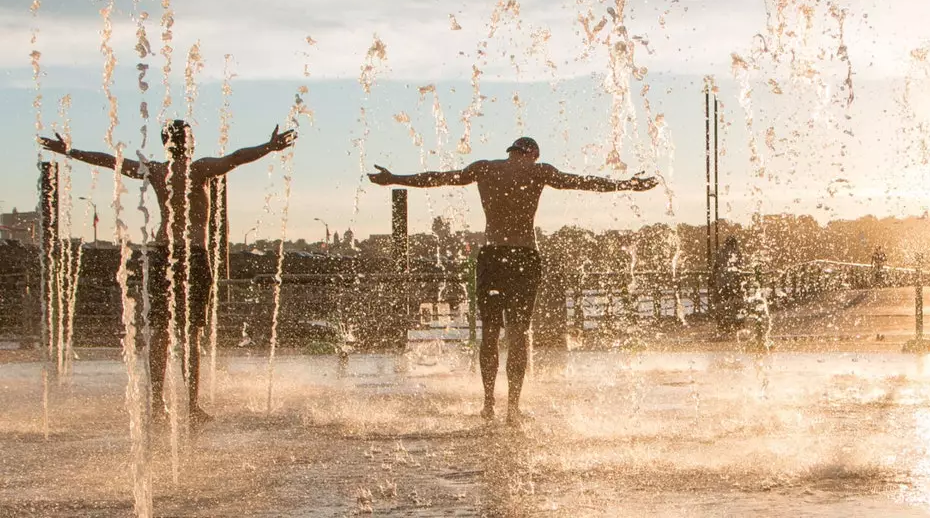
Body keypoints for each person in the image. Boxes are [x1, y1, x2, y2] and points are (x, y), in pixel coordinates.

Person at [368, 136, 659, 425]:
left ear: (511, 152)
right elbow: (581, 182)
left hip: (492, 255)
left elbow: (438, 178)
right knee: (519, 333)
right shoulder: (539, 170)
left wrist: (394, 178)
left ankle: (487, 404)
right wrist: (627, 184)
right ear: (532, 153)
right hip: (524, 255)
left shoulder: (485, 169)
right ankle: (513, 408)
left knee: (490, 333)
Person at [40, 119, 296, 425]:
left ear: (166, 143)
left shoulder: (159, 172)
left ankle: (157, 403)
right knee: (191, 334)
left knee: (161, 332)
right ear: (189, 142)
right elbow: (237, 158)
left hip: (164, 254)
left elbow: (111, 163)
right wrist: (268, 147)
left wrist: (70, 151)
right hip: (194, 255)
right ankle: (190, 405)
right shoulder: (200, 169)